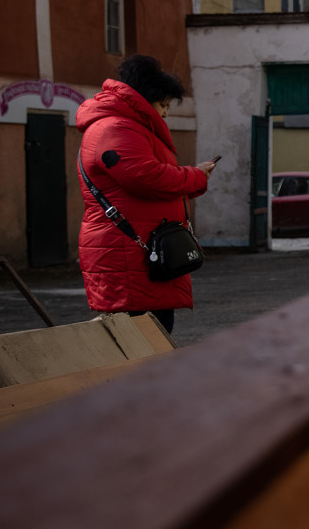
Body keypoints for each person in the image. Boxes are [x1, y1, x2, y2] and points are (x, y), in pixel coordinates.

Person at [76, 54, 216, 334]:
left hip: (136, 251)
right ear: (144, 98)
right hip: (128, 253)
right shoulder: (116, 128)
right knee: (144, 340)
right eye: (163, 105)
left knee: (150, 337)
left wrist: (194, 178)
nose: (164, 114)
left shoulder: (124, 126)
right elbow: (147, 177)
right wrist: (196, 175)